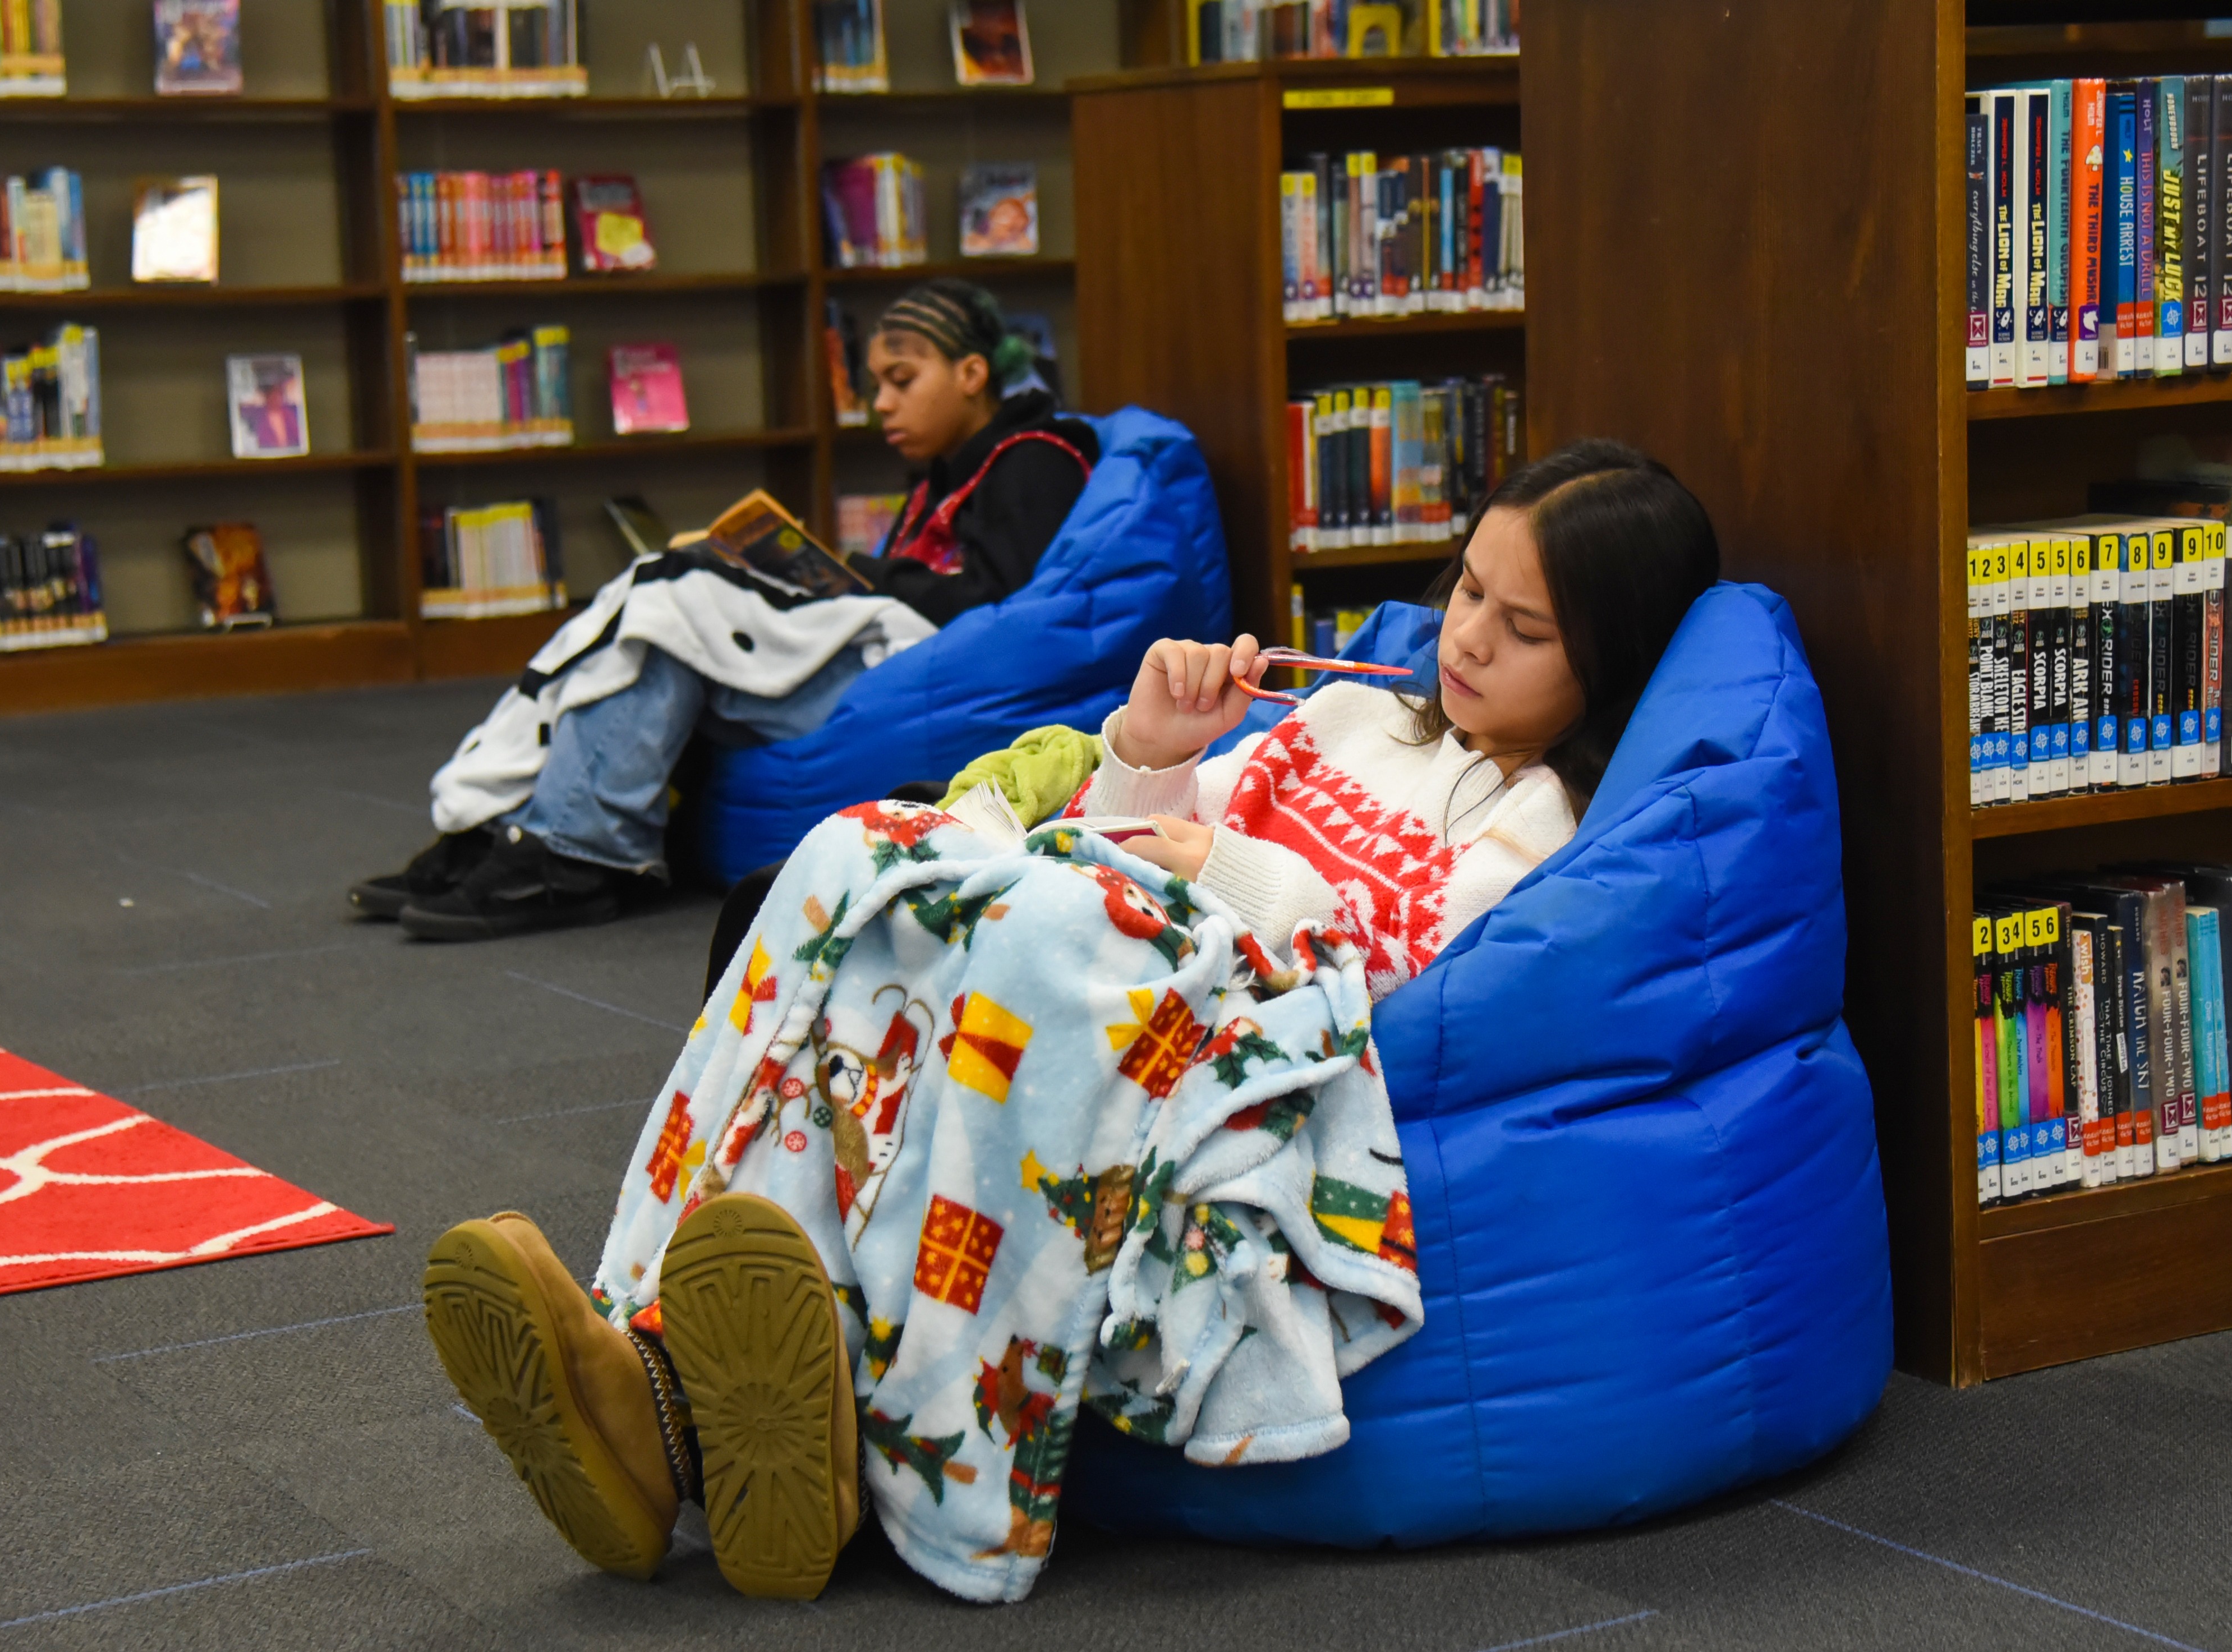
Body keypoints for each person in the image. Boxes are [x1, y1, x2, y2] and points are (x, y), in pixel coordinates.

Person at [418, 440, 1722, 1602]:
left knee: (1030, 936)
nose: (1469, 639)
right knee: (846, 854)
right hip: (1113, 936)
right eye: (1468, 592)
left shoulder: (1527, 819)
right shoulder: (1343, 709)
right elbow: (1114, 831)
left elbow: (1398, 983)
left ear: (1606, 667)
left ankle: (879, 1461)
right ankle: (638, 1349)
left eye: (1526, 629)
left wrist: (1215, 862)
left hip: (1208, 1020)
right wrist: (1149, 745)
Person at [349, 278, 1100, 940]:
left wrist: (867, 576)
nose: (881, 405)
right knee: (656, 583)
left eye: (902, 380)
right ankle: (501, 824)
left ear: (973, 373)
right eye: (876, 384)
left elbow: (1003, 607)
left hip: (917, 680)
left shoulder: (1032, 460)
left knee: (678, 606)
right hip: (887, 658)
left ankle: (576, 856)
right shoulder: (949, 467)